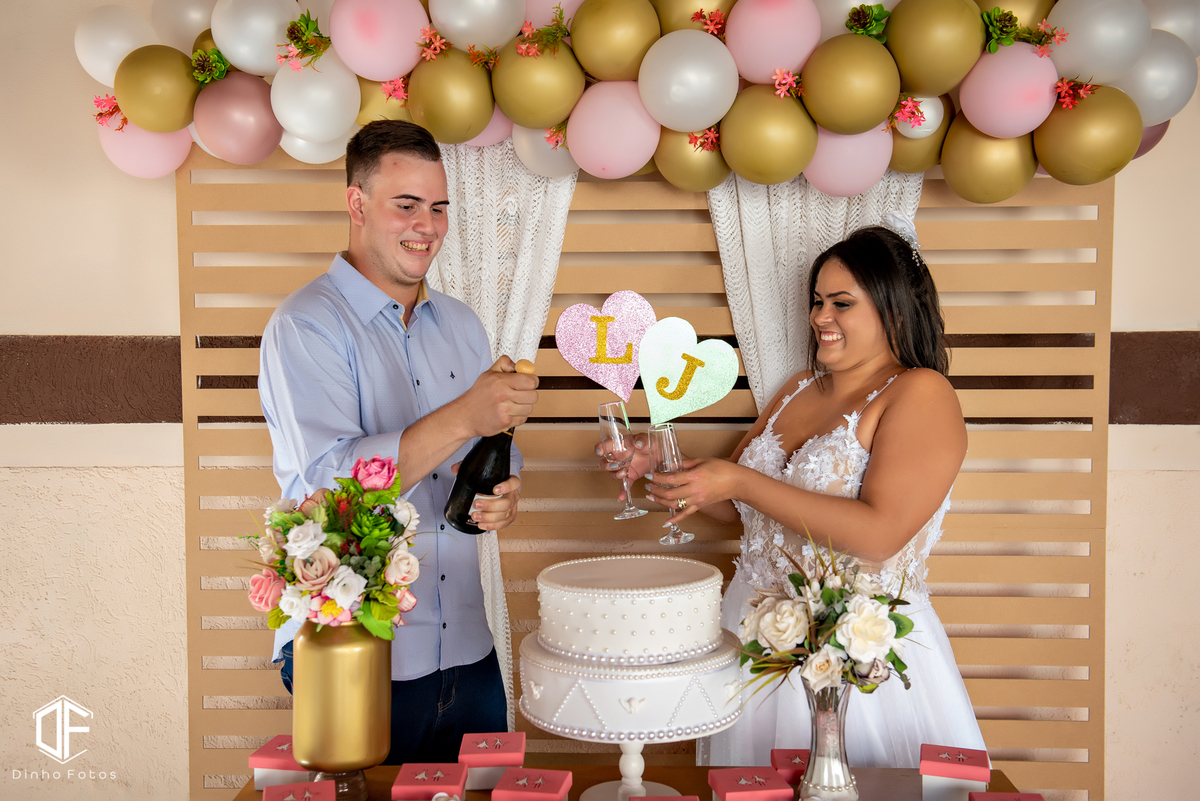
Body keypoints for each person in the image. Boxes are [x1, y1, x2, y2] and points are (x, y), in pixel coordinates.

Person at [607, 222, 986, 768]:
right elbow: (740, 509)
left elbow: (880, 535)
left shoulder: (921, 393)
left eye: (841, 303)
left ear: (896, 311)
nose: (819, 317)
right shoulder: (797, 389)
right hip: (755, 641)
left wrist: (739, 480)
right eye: (817, 301)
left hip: (855, 653)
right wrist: (661, 467)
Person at [258, 120, 539, 763]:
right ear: (356, 204)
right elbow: (333, 489)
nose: (427, 225)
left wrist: (505, 489)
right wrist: (465, 416)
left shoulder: (463, 325)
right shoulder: (305, 325)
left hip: (468, 648)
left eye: (438, 207)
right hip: (355, 649)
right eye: (406, 204)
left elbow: (490, 450)